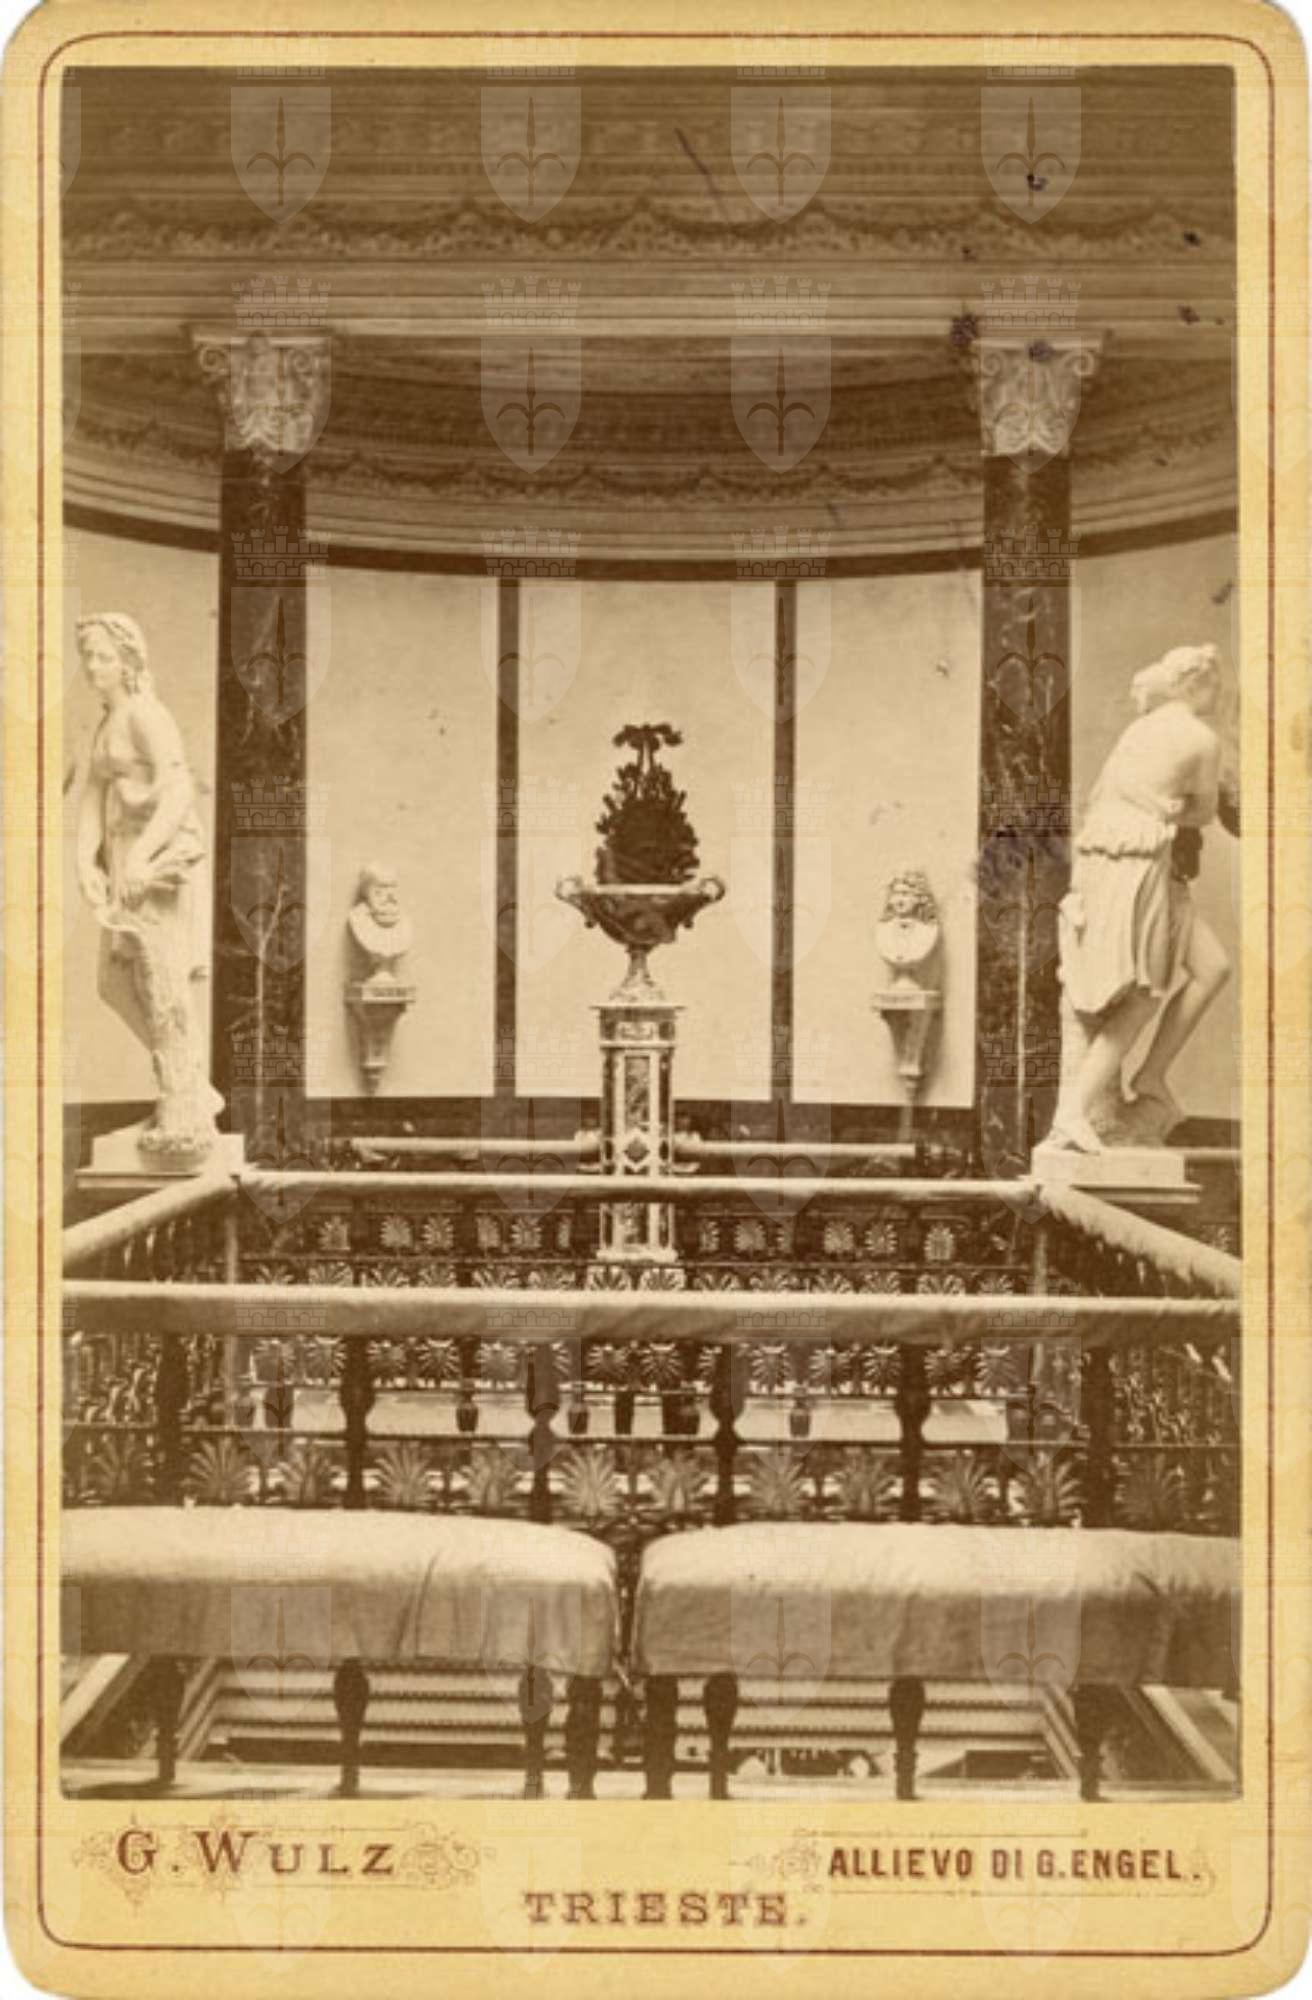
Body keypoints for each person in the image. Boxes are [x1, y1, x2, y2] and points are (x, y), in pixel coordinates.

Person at [1047, 643, 1235, 1151]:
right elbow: (1202, 814)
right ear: (1194, 684)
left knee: (1212, 967)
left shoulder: (1140, 729)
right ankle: (1072, 1112)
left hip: (1119, 866)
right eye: (1215, 684)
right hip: (1141, 868)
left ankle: (1150, 1074)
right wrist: (1186, 804)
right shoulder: (1200, 737)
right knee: (1139, 996)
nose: (1218, 693)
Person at [75, 613, 219, 1165]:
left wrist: (141, 856)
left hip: (156, 867)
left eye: (104, 657)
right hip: (123, 867)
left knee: (163, 985)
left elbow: (178, 788)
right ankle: (192, 1085)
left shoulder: (145, 715)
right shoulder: (108, 722)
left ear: (128, 661)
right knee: (114, 982)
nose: (93, 666)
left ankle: (183, 1110)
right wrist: (85, 861)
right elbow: (93, 796)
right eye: (88, 656)